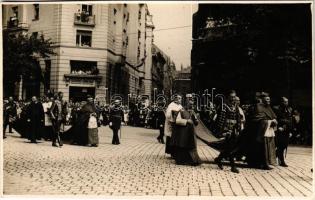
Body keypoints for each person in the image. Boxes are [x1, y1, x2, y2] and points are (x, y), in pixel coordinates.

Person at [212, 90, 241, 173]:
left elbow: (238, 117)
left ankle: (218, 159)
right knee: (230, 147)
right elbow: (221, 119)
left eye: (234, 97)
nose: (233, 98)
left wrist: (238, 128)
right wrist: (222, 131)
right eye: (231, 97)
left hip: (233, 129)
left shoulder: (236, 106)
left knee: (228, 147)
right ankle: (233, 167)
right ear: (229, 97)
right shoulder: (224, 106)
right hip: (226, 129)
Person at [247, 93, 277, 170]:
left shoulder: (269, 107)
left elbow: (273, 116)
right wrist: (269, 122)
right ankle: (264, 164)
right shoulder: (259, 106)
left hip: (267, 131)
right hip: (260, 132)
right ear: (263, 100)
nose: (269, 101)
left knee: (267, 148)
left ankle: (267, 163)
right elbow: (257, 119)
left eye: (269, 99)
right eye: (267, 99)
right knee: (262, 148)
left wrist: (274, 121)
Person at [171, 94, 201, 166]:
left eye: (192, 101)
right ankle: (183, 160)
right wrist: (187, 121)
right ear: (186, 102)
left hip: (190, 133)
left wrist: (196, 120)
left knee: (191, 146)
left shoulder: (192, 111)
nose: (191, 103)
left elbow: (196, 123)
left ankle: (192, 160)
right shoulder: (181, 110)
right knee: (183, 145)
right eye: (189, 101)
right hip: (183, 133)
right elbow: (177, 121)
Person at [274, 97, 293, 167]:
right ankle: (281, 161)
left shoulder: (289, 109)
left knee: (284, 145)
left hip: (287, 130)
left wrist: (290, 131)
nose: (286, 103)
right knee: (279, 145)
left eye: (287, 102)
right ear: (281, 102)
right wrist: (278, 126)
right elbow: (276, 118)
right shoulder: (276, 109)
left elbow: (291, 120)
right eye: (285, 102)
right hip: (280, 129)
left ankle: (274, 157)